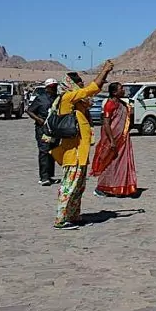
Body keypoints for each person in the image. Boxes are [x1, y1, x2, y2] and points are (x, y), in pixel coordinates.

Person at [50, 62, 114, 230]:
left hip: (81, 152)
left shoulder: (78, 102)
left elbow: (90, 91)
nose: (82, 86)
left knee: (79, 187)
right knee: (69, 186)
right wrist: (105, 71)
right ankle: (61, 218)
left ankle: (73, 215)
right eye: (79, 84)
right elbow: (92, 89)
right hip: (73, 153)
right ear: (71, 85)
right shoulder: (67, 98)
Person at [91, 82, 138, 198]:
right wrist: (111, 140)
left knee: (121, 163)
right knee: (109, 163)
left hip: (123, 138)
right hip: (113, 139)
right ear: (114, 92)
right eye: (121, 89)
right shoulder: (109, 104)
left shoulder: (122, 104)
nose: (123, 91)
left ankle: (119, 187)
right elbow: (106, 123)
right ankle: (102, 187)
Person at [26, 78, 59, 186]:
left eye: (56, 86)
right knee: (44, 151)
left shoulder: (58, 99)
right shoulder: (40, 99)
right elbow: (29, 111)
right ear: (47, 87)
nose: (55, 88)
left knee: (52, 152)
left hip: (54, 130)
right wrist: (38, 119)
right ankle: (43, 177)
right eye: (53, 87)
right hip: (43, 130)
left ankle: (50, 176)